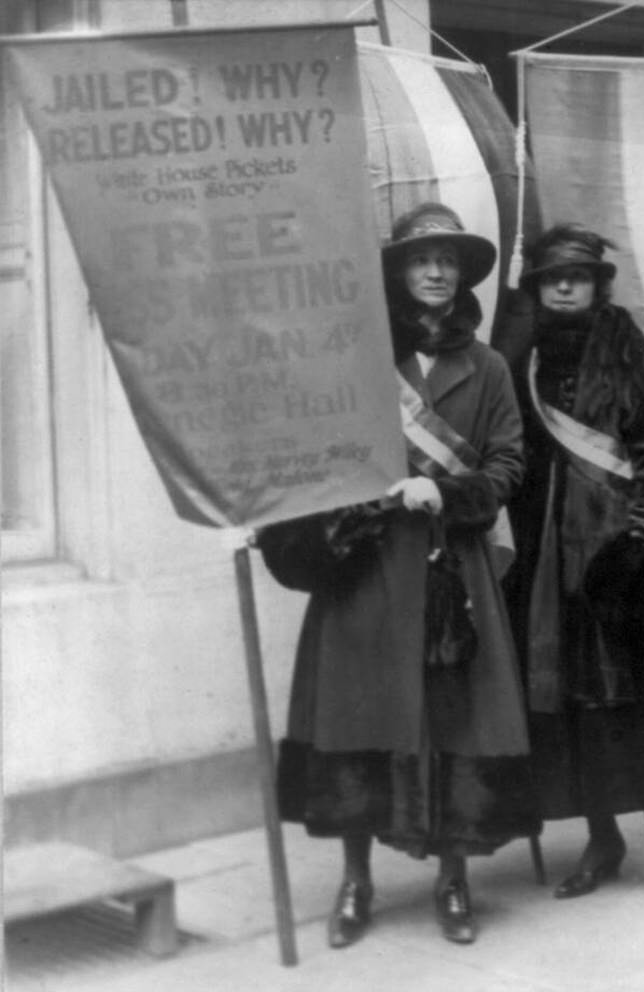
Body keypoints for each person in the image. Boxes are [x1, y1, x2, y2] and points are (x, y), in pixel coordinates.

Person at [260, 202, 538, 948]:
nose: (437, 272)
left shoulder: (489, 368)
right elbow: (319, 450)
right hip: (367, 567)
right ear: (399, 272)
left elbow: (510, 462)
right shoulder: (352, 360)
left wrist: (447, 492)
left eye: (448, 260)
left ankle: (453, 882)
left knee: (453, 719)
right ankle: (357, 883)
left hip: (454, 570)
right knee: (357, 717)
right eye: (422, 259)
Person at [502, 223, 644, 907]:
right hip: (551, 557)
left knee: (642, 697)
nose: (564, 286)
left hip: (619, 553)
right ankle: (601, 837)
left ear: (596, 284)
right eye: (552, 277)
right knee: (576, 702)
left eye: (578, 276)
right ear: (537, 288)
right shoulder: (520, 360)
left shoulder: (627, 353)